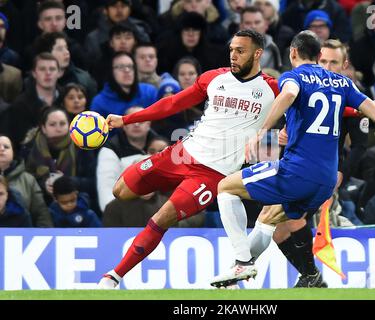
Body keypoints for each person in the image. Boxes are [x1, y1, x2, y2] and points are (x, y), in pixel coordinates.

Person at [97, 29, 279, 289]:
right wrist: (126, 119)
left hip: (211, 175)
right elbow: (172, 104)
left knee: (162, 218)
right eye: (231, 50)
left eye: (241, 51)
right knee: (121, 191)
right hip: (181, 153)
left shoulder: (273, 89)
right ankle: (171, 189)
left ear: (258, 53)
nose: (233, 56)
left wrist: (357, 111)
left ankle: (113, 277)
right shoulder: (213, 79)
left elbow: (308, 105)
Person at [209, 30, 375, 288]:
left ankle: (243, 262)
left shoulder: (293, 77)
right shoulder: (343, 83)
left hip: (298, 170)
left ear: (293, 53)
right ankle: (244, 268)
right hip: (325, 180)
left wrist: (262, 131)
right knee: (268, 218)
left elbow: (290, 94)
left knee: (225, 187)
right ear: (318, 55)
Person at [0, 134, 53, 227]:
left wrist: (43, 238)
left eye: (6, 147)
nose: (2, 149)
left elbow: (41, 214)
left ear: (13, 152)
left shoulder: (28, 180)